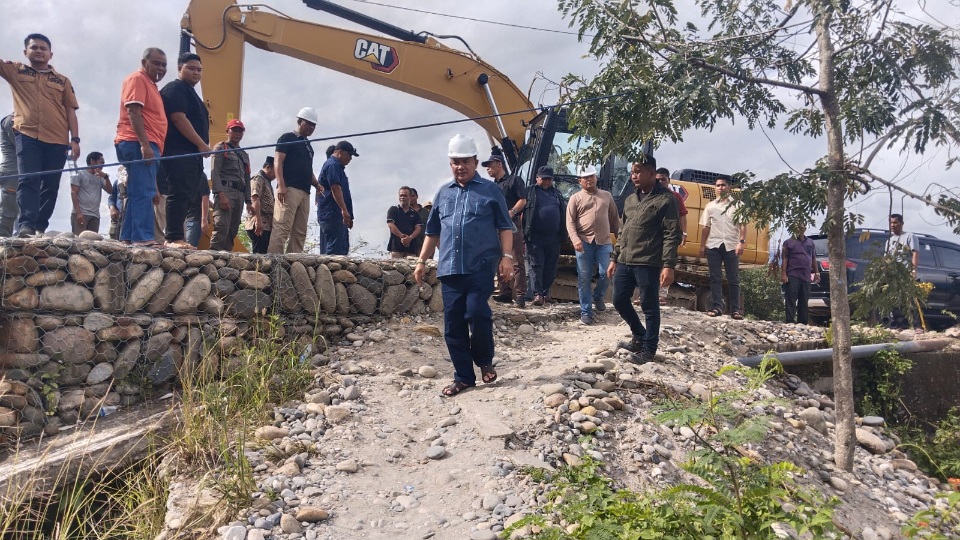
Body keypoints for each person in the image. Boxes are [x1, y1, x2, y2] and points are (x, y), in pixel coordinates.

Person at [413, 134, 514, 397]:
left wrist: (507, 257)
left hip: (480, 265)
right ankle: (464, 377)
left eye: (466, 161)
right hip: (449, 268)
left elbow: (505, 227)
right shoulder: (443, 194)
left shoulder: (490, 190)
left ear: (475, 161)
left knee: (477, 313)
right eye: (456, 161)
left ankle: (483, 360)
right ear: (450, 163)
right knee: (454, 325)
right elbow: (432, 232)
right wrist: (422, 261)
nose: (461, 166)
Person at [0, 34, 81, 237]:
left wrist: (75, 139)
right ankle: (25, 226)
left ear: (50, 54)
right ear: (25, 52)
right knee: (28, 180)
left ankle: (40, 226)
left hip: (57, 138)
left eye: (43, 48)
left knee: (50, 185)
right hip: (26, 134)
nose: (38, 51)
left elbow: (71, 110)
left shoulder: (62, 80)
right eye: (34, 47)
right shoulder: (15, 70)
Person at [608, 158, 681, 364]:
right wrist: (614, 258)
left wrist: (668, 265)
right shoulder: (630, 200)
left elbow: (671, 234)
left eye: (638, 172)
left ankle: (649, 349)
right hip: (625, 260)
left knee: (649, 305)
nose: (634, 176)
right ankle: (639, 335)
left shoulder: (666, 200)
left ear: (651, 173)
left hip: (648, 261)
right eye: (632, 172)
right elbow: (623, 231)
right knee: (619, 300)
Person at [114, 47, 168, 247]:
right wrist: (145, 145)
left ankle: (128, 236)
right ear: (144, 62)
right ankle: (143, 238)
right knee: (144, 191)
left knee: (139, 190)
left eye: (164, 65)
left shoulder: (151, 85)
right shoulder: (137, 79)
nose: (161, 68)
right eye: (156, 63)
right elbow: (133, 111)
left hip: (147, 142)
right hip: (139, 142)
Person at [159, 52, 211, 249]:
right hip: (179, 150)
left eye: (199, 69)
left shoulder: (191, 93)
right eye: (191, 68)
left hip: (193, 155)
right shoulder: (175, 88)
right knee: (178, 192)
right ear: (180, 68)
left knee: (186, 194)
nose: (196, 72)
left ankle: (176, 236)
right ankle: (172, 237)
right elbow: (178, 118)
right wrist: (201, 144)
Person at [567, 166, 620, 324]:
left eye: (592, 176)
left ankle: (598, 296)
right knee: (584, 277)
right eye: (585, 178)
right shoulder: (575, 198)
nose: (589, 179)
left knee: (607, 272)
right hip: (584, 242)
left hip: (604, 242)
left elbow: (615, 219)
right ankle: (586, 311)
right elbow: (569, 222)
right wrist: (575, 239)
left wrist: (621, 239)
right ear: (580, 181)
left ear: (596, 178)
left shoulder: (606, 196)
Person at [268, 107, 319, 254]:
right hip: (289, 189)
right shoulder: (287, 138)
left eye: (313, 125)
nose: (311, 127)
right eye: (308, 123)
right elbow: (278, 162)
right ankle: (274, 262)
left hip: (305, 192)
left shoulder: (309, 146)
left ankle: (294, 263)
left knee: (300, 231)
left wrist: (316, 184)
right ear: (299, 121)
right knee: (282, 227)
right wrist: (281, 185)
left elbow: (308, 170)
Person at [698, 177, 747, 318]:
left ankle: (735, 310)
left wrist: (741, 242)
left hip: (731, 245)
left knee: (733, 278)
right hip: (714, 245)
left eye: (723, 185)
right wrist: (702, 245)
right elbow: (706, 227)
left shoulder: (738, 205)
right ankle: (717, 307)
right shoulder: (710, 206)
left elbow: (743, 225)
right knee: (715, 277)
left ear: (729, 187)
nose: (721, 188)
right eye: (718, 185)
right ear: (715, 188)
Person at [484, 153, 528, 307]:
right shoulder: (491, 187)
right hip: (495, 226)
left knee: (515, 258)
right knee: (499, 259)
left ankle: (521, 295)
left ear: (499, 164)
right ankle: (505, 293)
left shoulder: (514, 180)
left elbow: (523, 200)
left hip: (511, 224)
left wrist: (511, 212)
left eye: (490, 165)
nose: (488, 169)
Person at [522, 166, 565, 306]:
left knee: (551, 267)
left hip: (554, 237)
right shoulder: (529, 192)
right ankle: (537, 294)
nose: (546, 181)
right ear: (537, 178)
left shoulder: (557, 194)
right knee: (536, 265)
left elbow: (564, 213)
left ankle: (545, 293)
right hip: (535, 236)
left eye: (549, 179)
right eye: (544, 178)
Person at [209, 119, 251, 251]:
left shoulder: (244, 154)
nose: (238, 133)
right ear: (227, 131)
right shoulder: (221, 148)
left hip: (240, 194)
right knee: (222, 226)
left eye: (240, 131)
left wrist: (248, 201)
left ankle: (226, 260)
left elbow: (247, 178)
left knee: (233, 229)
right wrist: (221, 195)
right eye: (234, 130)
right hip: (226, 190)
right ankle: (213, 259)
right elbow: (215, 173)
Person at [317, 140, 359, 255]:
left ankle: (329, 272)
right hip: (333, 214)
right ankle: (330, 273)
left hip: (335, 215)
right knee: (334, 254)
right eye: (349, 155)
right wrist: (344, 211)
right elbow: (335, 188)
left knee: (337, 250)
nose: (350, 158)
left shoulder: (337, 167)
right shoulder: (333, 165)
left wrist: (349, 214)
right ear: (339, 152)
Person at [655, 167, 688, 305]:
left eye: (663, 179)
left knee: (667, 265)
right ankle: (647, 294)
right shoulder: (650, 195)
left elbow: (683, 216)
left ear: (668, 180)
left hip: (670, 236)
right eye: (658, 179)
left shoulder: (676, 197)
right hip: (653, 236)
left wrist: (684, 233)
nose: (660, 182)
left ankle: (662, 295)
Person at [885, 213, 922, 332]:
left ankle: (917, 326)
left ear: (901, 223)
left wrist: (913, 270)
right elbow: (887, 258)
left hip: (906, 273)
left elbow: (915, 253)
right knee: (896, 301)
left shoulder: (909, 236)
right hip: (894, 275)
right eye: (891, 223)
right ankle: (901, 325)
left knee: (911, 300)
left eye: (895, 222)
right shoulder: (889, 241)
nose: (893, 225)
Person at [781, 224, 819, 324]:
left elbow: (813, 258)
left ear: (805, 228)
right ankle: (789, 321)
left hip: (806, 275)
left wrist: (817, 272)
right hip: (793, 274)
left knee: (804, 300)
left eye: (802, 227)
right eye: (798, 227)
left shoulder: (810, 242)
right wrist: (784, 274)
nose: (800, 229)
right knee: (791, 299)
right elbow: (784, 258)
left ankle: (802, 323)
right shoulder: (788, 242)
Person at [69, 151, 111, 235]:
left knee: (92, 243)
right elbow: (74, 193)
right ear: (92, 161)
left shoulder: (100, 177)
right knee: (79, 242)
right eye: (101, 162)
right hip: (82, 214)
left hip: (95, 215)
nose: (103, 165)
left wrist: (106, 177)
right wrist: (78, 213)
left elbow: (110, 190)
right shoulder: (79, 174)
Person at [246, 156, 276, 254]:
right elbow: (255, 198)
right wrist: (258, 221)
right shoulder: (258, 178)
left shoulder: (267, 181)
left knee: (265, 255)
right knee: (259, 256)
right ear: (268, 167)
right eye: (276, 171)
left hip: (267, 223)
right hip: (259, 222)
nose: (276, 175)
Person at [386, 186, 422, 258]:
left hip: (411, 250)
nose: (402, 197)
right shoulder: (393, 210)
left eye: (405, 195)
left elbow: (418, 228)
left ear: (410, 197)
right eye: (401, 195)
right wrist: (401, 236)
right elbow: (390, 225)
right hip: (396, 249)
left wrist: (410, 238)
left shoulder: (415, 213)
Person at [0, 114, 17, 236]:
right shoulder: (11, 121)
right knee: (8, 212)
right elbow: (23, 147)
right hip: (12, 173)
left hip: (18, 174)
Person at [107, 166, 127, 240]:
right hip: (118, 214)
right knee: (115, 234)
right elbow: (112, 197)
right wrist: (112, 209)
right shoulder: (117, 182)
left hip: (129, 214)